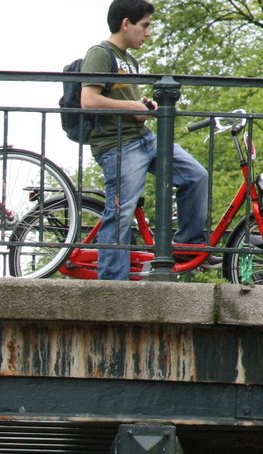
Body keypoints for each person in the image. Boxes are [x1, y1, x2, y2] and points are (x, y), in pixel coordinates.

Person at [81, 0, 210, 281]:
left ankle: (186, 247)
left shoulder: (129, 59)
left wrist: (141, 107)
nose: (148, 33)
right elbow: (88, 99)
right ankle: (113, 286)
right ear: (126, 24)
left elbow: (121, 101)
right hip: (118, 145)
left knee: (196, 176)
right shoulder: (100, 53)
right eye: (145, 25)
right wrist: (133, 108)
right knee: (121, 212)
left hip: (144, 138)